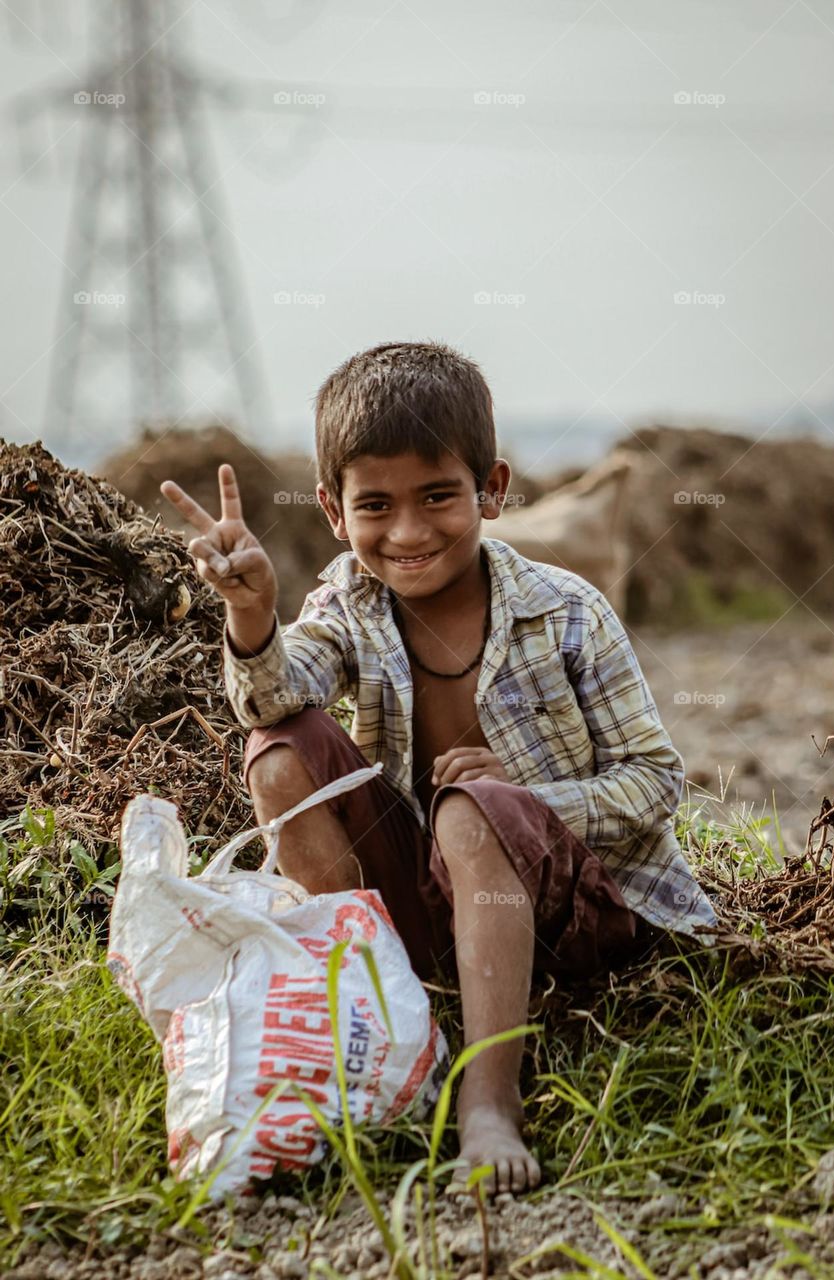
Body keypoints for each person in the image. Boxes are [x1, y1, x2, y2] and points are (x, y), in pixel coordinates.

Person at [161, 339, 718, 1196]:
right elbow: (276, 697)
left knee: (467, 806)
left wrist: (520, 796)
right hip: (429, 902)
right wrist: (251, 615)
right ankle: (381, 1008)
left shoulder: (566, 613)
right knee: (278, 755)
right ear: (333, 512)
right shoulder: (345, 603)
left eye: (437, 497)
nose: (410, 532)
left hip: (569, 914)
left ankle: (487, 1104)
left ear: (490, 490)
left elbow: (654, 780)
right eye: (376, 505)